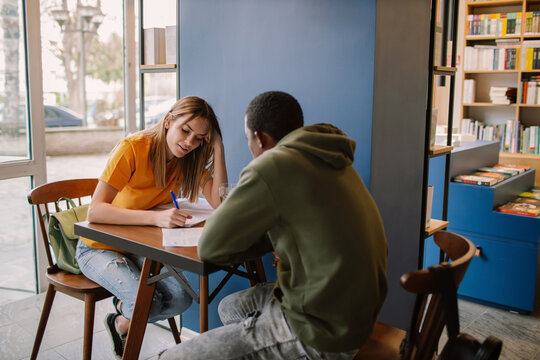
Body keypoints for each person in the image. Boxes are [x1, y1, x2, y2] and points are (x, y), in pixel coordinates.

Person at [159, 91, 388, 360]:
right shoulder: (332, 159)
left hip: (320, 330)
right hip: (356, 313)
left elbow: (210, 247)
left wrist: (254, 233)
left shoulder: (273, 165)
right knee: (230, 308)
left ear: (259, 138)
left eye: (247, 140)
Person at [75, 95, 227, 359]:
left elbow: (221, 203)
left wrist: (218, 147)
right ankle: (129, 312)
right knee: (148, 302)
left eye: (200, 138)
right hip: (97, 247)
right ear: (169, 121)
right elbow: (95, 211)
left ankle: (121, 321)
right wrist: (156, 218)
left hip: (137, 244)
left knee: (182, 300)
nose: (189, 143)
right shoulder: (133, 148)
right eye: (185, 131)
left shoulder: (188, 159)